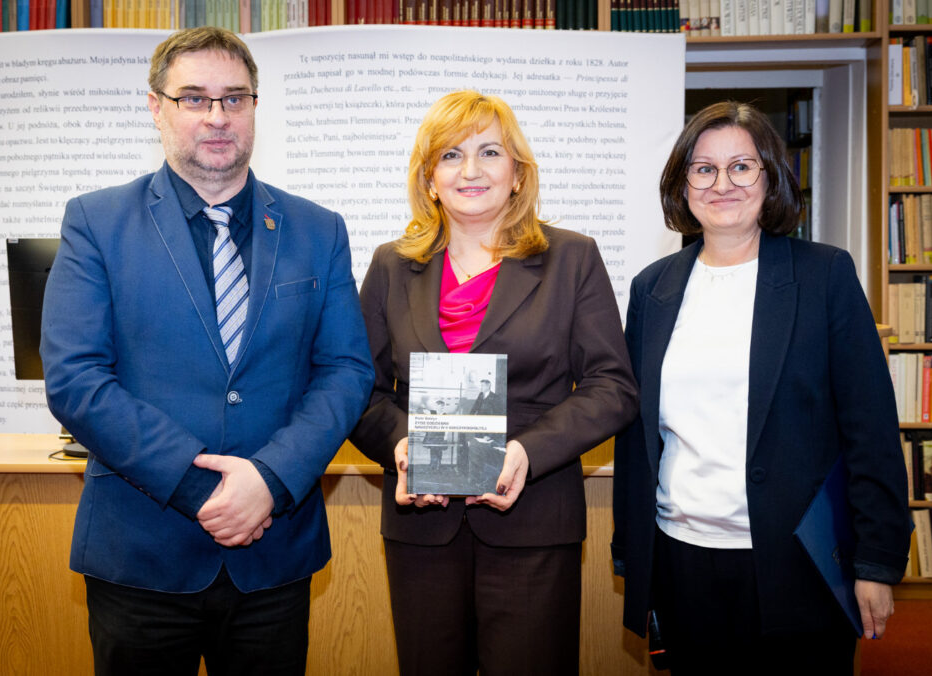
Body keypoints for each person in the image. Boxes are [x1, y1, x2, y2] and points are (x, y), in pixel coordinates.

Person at [39, 27, 373, 675]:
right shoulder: (97, 222)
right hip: (142, 553)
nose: (217, 116)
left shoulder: (318, 229)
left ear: (254, 107)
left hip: (274, 557)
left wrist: (269, 482)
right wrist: (203, 488)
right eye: (193, 98)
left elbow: (346, 371)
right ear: (156, 107)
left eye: (234, 98)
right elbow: (77, 380)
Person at [611, 101, 911, 674]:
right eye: (704, 169)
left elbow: (870, 427)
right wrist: (631, 550)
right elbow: (636, 434)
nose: (722, 184)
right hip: (682, 558)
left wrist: (876, 561)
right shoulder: (653, 289)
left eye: (742, 167)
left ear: (770, 177)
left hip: (799, 561)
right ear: (682, 184)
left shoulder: (824, 275)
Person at [349, 90, 639, 675]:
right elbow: (359, 389)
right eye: (451, 155)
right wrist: (403, 448)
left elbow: (613, 386)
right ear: (430, 179)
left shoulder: (572, 258)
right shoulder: (390, 265)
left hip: (533, 520)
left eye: (489, 152)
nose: (470, 171)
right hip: (421, 525)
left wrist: (527, 453)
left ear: (518, 173)